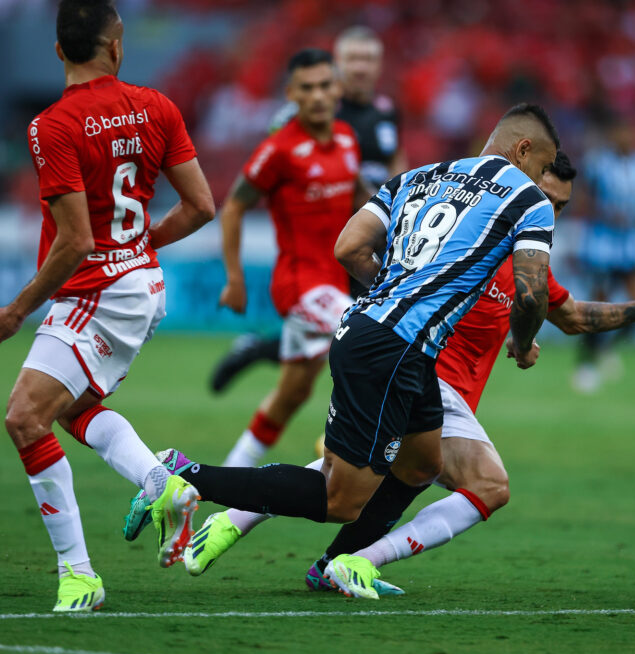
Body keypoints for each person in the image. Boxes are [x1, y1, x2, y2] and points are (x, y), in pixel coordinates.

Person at [141, 152, 635, 596]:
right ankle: (332, 551)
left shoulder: (526, 256)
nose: (550, 211)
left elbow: (573, 314)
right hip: (418, 369)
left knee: (407, 467)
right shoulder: (472, 243)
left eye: (560, 205)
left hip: (412, 374)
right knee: (482, 484)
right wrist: (519, 342)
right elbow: (375, 258)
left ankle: (269, 533)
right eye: (547, 197)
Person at [124, 102, 561, 598]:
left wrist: (395, 293)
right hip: (394, 350)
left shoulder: (417, 177)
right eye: (543, 165)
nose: (543, 178)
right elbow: (530, 292)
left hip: (383, 338)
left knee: (422, 464)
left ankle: (338, 565)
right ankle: (183, 472)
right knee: (341, 498)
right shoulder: (529, 200)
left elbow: (348, 247)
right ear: (523, 149)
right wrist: (523, 345)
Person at [1, 0, 214, 612]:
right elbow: (200, 206)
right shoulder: (158, 106)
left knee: (23, 418)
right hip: (140, 285)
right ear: (116, 47)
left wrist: (15, 311)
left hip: (97, 293)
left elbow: (75, 242)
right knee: (73, 412)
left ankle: (79, 574)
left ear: (59, 51)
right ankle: (160, 483)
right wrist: (142, 245)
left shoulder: (53, 126)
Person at [210, 25, 405, 392]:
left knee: (327, 352)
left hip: (372, 236)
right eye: (353, 59)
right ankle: (355, 431)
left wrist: (400, 216)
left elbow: (396, 165)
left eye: (369, 59)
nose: (361, 68)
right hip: (328, 244)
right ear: (339, 67)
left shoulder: (386, 112)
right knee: (364, 337)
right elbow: (278, 168)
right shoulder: (309, 115)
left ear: (379, 66)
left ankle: (261, 349)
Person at [215, 48, 371, 469]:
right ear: (291, 93)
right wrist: (234, 278)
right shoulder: (278, 150)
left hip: (334, 284)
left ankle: (223, 480)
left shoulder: (346, 140)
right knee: (373, 339)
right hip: (299, 286)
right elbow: (233, 206)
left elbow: (361, 197)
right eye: (308, 88)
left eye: (325, 85)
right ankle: (348, 444)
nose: (318, 95)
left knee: (292, 394)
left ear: (338, 89)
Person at [574, 115, 635, 393]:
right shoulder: (599, 164)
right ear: (613, 135)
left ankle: (606, 348)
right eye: (621, 132)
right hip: (601, 246)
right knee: (597, 307)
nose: (627, 138)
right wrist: (609, 215)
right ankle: (584, 365)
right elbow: (583, 201)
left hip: (629, 245)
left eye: (630, 132)